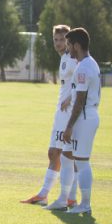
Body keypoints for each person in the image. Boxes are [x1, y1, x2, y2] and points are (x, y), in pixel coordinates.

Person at [44, 27, 100, 214]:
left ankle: (85, 204)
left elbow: (80, 102)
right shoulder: (85, 64)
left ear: (77, 45)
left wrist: (68, 127)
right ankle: (63, 198)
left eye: (69, 44)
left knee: (82, 162)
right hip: (80, 116)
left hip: (84, 118)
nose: (67, 49)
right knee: (66, 158)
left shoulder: (84, 67)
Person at [21, 25, 78, 206]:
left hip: (69, 113)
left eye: (62, 40)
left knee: (65, 154)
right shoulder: (63, 59)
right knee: (53, 153)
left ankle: (69, 197)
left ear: (68, 41)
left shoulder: (73, 58)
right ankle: (44, 195)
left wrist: (70, 98)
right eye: (56, 40)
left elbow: (82, 82)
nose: (58, 43)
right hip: (59, 112)